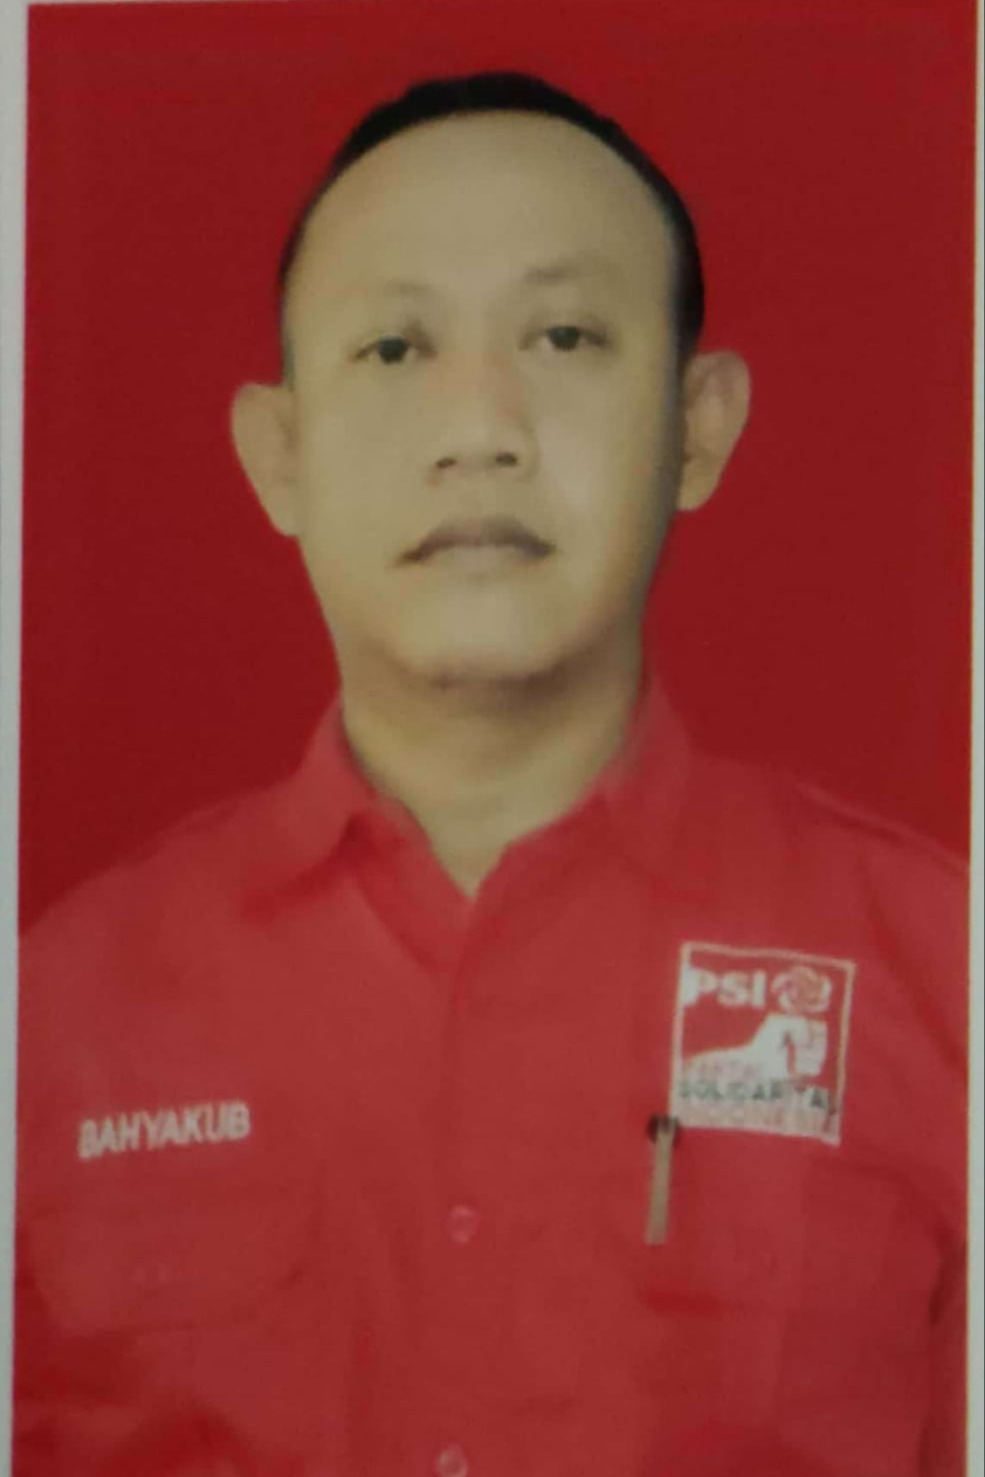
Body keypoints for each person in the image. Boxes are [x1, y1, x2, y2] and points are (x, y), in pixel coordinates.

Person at [14, 71, 967, 1477]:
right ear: (279, 456)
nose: (480, 428)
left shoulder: (944, 974)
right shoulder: (54, 1013)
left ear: (698, 424)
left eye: (565, 335)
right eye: (394, 348)